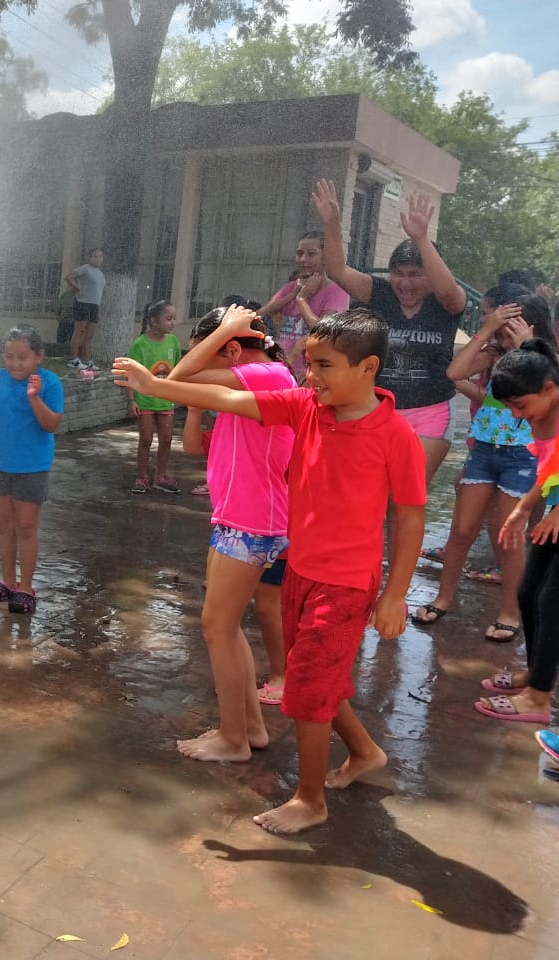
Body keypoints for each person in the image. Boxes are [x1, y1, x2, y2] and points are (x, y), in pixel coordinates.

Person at [115, 308, 426, 835]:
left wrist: (396, 594)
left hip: (346, 582)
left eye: (325, 365)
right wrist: (154, 387)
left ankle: (310, 800)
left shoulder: (395, 435)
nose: (311, 375)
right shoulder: (305, 407)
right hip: (301, 569)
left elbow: (411, 515)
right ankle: (366, 752)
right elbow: (226, 399)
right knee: (320, 677)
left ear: (368, 367)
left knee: (304, 689)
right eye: (307, 362)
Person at [168, 307, 295, 762]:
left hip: (253, 520)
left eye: (216, 350)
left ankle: (232, 739)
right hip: (240, 518)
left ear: (235, 348)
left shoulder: (265, 374)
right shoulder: (260, 377)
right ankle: (249, 730)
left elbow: (181, 376)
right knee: (225, 628)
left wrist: (224, 331)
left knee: (216, 626)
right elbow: (192, 389)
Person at [411, 288, 553, 640]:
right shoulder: (493, 355)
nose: (505, 338)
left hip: (522, 456)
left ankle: (510, 612)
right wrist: (486, 331)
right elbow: (454, 372)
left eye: (512, 329)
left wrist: (526, 347)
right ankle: (443, 597)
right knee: (461, 531)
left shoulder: (546, 360)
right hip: (485, 451)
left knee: (507, 538)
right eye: (502, 330)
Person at [311, 179, 466, 485]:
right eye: (398, 273)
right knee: (368, 491)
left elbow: (449, 291)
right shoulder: (379, 293)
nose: (405, 283)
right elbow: (338, 271)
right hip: (377, 408)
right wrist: (332, 223)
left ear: (430, 275)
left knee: (406, 495)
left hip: (431, 412)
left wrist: (421, 240)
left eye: (415, 274)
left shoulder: (445, 303)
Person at [476, 341, 559, 724]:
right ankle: (537, 676)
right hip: (553, 514)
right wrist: (523, 510)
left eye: (520, 405)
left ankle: (539, 698)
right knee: (528, 591)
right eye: (509, 406)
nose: (515, 415)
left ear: (549, 387)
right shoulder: (542, 416)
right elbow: (548, 469)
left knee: (552, 601)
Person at [0, 324, 65, 616]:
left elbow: (51, 425)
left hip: (32, 467)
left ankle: (26, 588)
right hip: (1, 464)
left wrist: (34, 397)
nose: (14, 363)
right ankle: (8, 582)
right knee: (4, 525)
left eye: (22, 357)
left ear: (39, 356)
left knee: (25, 527)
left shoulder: (49, 382)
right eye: (9, 356)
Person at [256, 231, 351, 380]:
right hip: (283, 368)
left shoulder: (337, 292)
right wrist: (292, 296)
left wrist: (302, 300)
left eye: (311, 254)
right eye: (299, 254)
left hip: (311, 376)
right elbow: (259, 316)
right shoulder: (291, 288)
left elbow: (323, 330)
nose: (303, 259)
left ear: (326, 257)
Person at [127, 299, 183, 494]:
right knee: (146, 439)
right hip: (145, 400)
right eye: (168, 318)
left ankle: (161, 476)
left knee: (167, 439)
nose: (173, 323)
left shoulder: (174, 342)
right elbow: (131, 373)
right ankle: (142, 477)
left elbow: (177, 369)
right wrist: (132, 399)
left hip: (165, 399)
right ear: (154, 321)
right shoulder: (140, 344)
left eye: (174, 319)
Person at [64, 247, 106, 370]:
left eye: (100, 257)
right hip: (83, 303)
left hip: (94, 305)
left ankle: (86, 360)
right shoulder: (85, 269)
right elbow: (69, 277)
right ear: (89, 257)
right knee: (79, 331)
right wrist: (77, 288)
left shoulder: (100, 274)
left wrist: (98, 310)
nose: (98, 259)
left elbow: (98, 292)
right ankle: (73, 359)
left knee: (90, 335)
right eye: (95, 256)